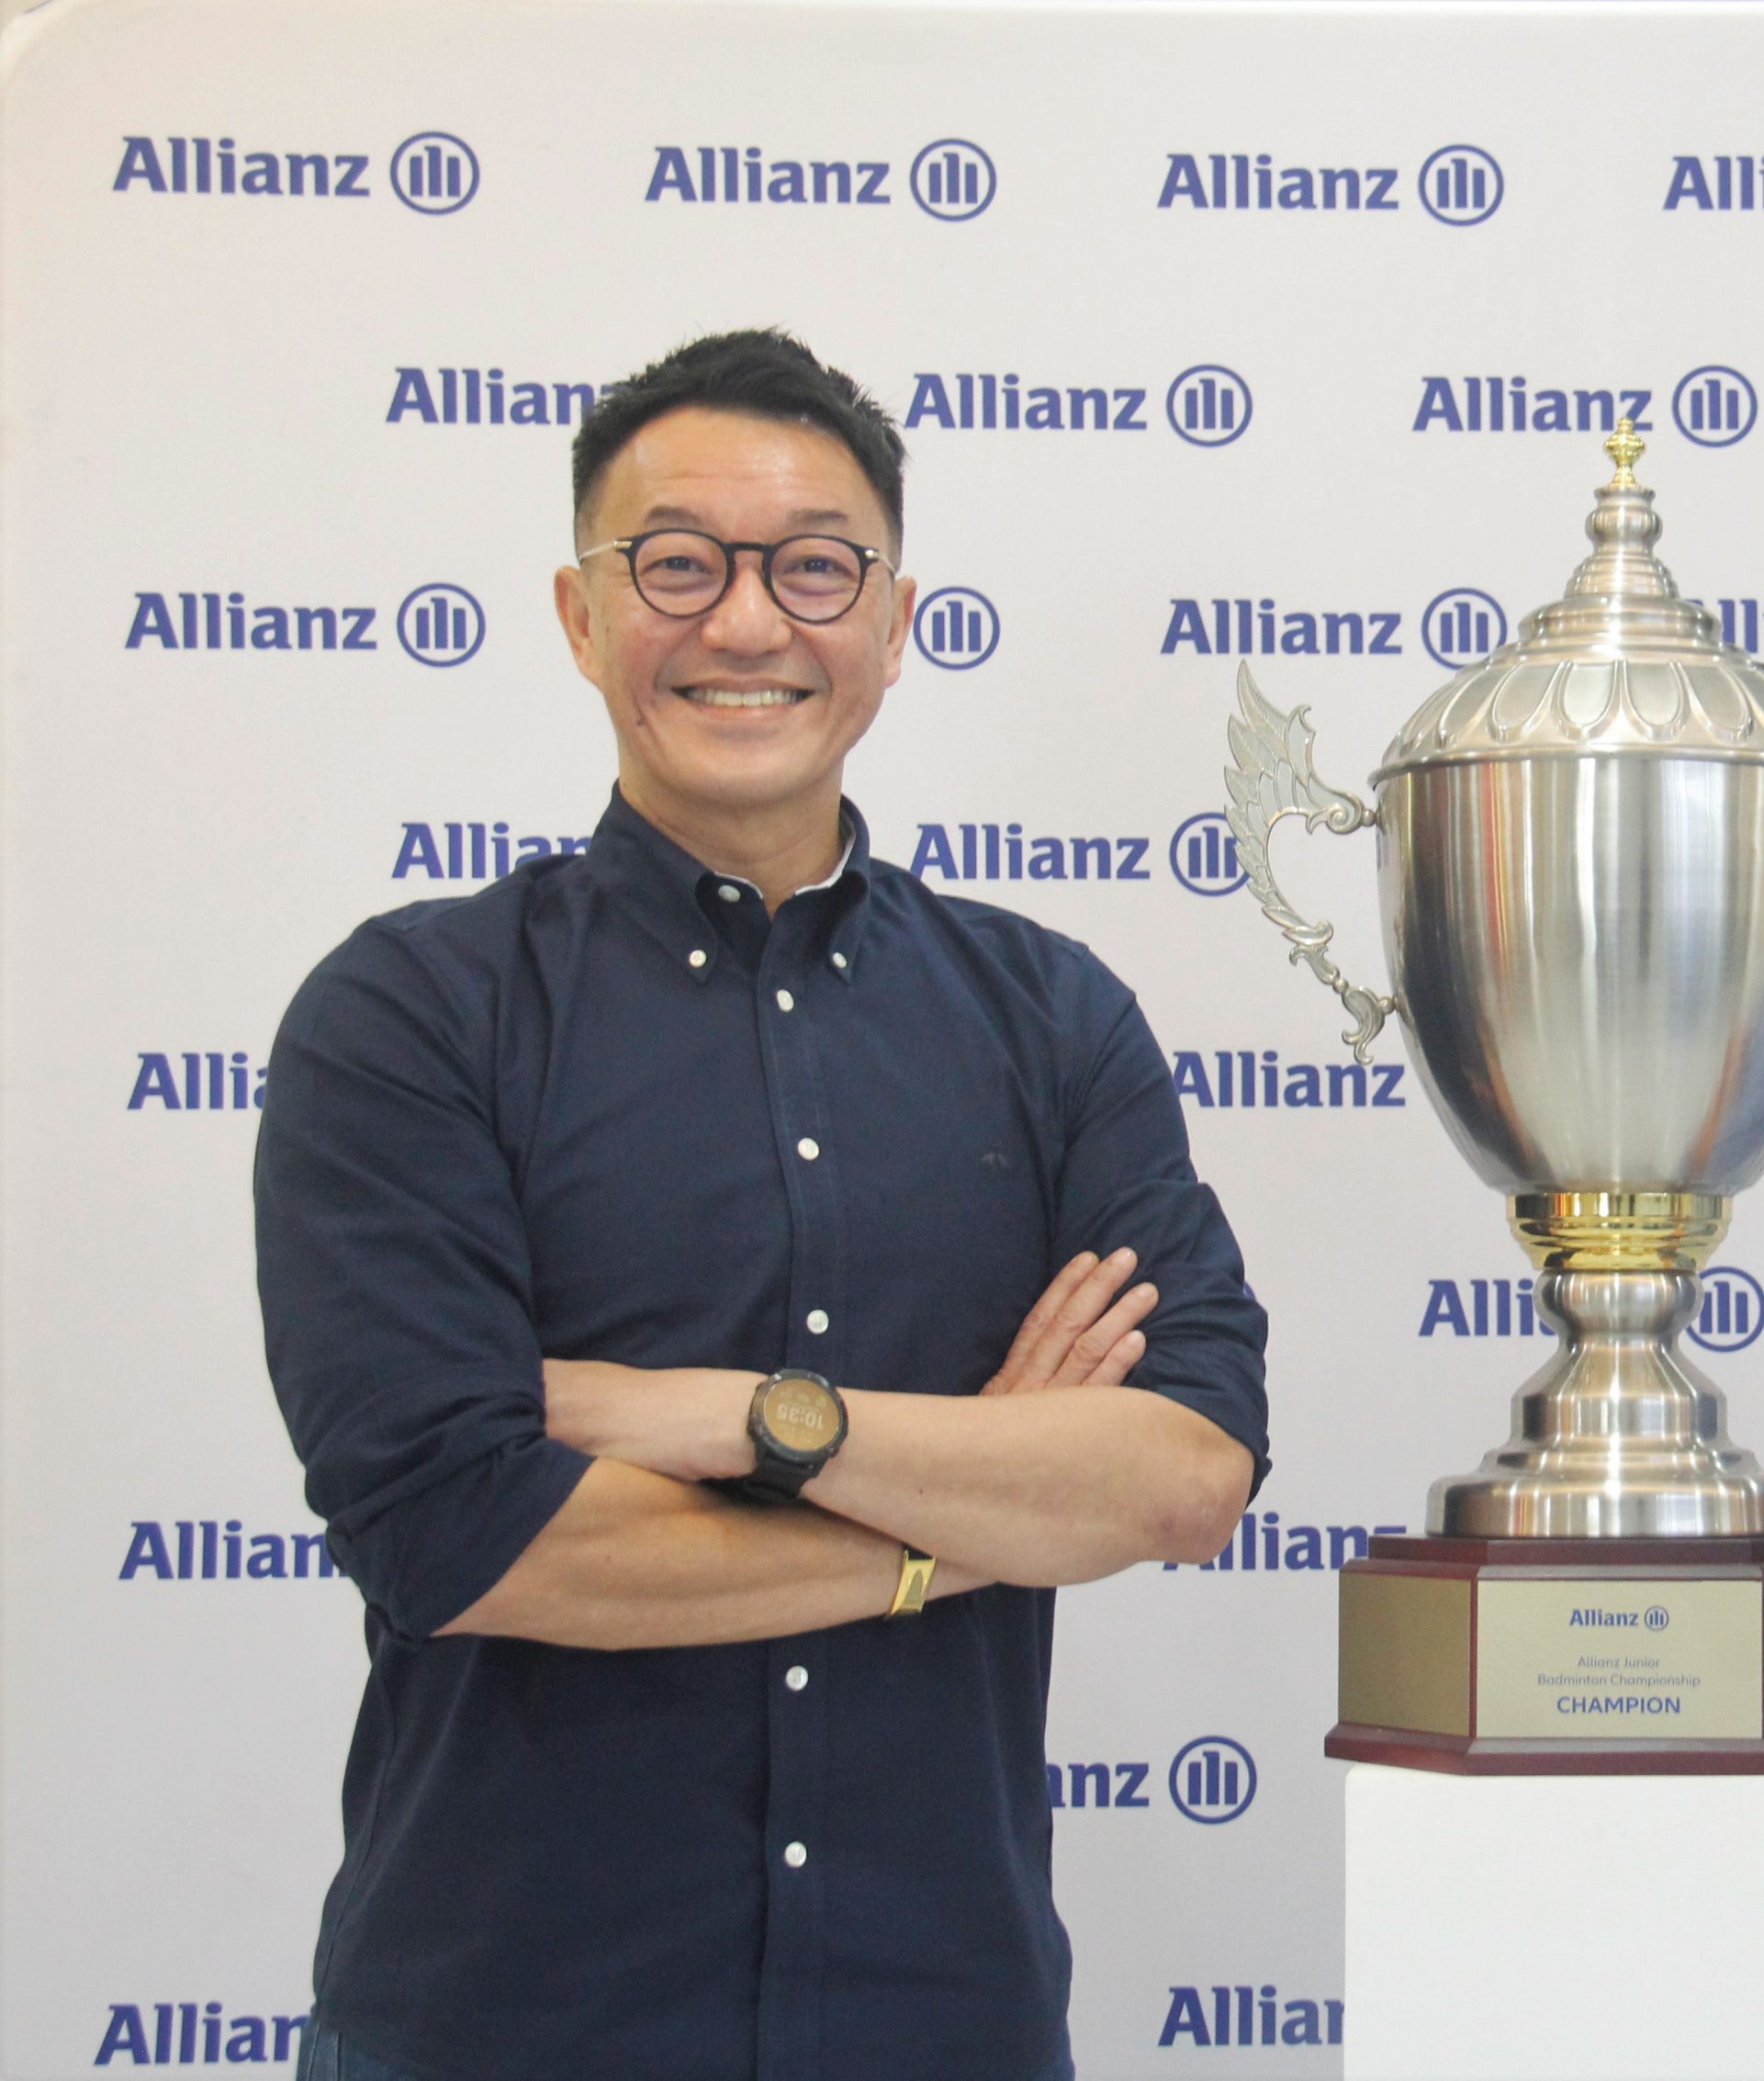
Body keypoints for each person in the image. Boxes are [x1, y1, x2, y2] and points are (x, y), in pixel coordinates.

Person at [254, 329, 1265, 2081]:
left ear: (892, 620)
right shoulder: (413, 1013)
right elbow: (465, 1532)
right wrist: (964, 1515)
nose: (743, 623)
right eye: (676, 563)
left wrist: (734, 1420)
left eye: (812, 568)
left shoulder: (1050, 1018)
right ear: (581, 616)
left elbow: (1184, 1471)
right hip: (507, 2024)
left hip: (942, 2021)